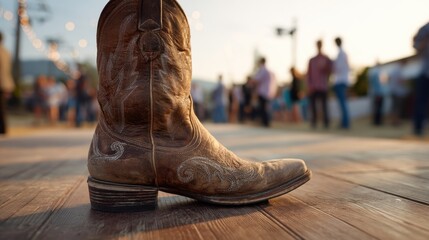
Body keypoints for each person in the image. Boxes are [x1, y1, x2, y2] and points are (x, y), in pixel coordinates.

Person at [307, 40, 332, 129]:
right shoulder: (312, 60)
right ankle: (314, 122)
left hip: (323, 85)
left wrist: (326, 67)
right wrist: (309, 85)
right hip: (314, 86)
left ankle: (326, 123)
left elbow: (331, 69)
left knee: (324, 105)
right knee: (313, 106)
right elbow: (309, 74)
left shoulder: (326, 58)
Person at [413, 22, 429, 136]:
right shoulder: (424, 29)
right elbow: (416, 47)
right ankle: (418, 128)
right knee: (421, 101)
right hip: (425, 71)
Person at [252, 57, 277, 127]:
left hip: (263, 92)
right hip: (270, 92)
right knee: (267, 107)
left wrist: (252, 81)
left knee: (263, 107)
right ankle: (267, 121)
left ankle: (265, 122)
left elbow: (256, 79)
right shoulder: (270, 72)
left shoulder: (262, 70)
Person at [332, 37, 351, 129]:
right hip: (343, 80)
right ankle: (344, 122)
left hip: (340, 81)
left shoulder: (341, 54)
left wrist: (332, 65)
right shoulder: (343, 54)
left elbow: (337, 68)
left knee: (342, 103)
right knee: (342, 103)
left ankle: (345, 123)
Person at [0, 32, 15, 135]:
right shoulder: (6, 51)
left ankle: (3, 128)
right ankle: (3, 128)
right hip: (5, 82)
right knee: (2, 106)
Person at [388, 60, 408, 126]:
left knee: (394, 107)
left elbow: (390, 79)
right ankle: (396, 121)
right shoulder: (399, 70)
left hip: (393, 91)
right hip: (398, 92)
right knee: (397, 107)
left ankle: (394, 120)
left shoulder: (394, 69)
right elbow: (401, 81)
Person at [368, 62, 385, 126]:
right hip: (379, 93)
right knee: (379, 108)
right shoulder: (379, 72)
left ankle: (376, 121)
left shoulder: (373, 72)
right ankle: (378, 121)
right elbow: (381, 84)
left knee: (376, 107)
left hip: (375, 93)